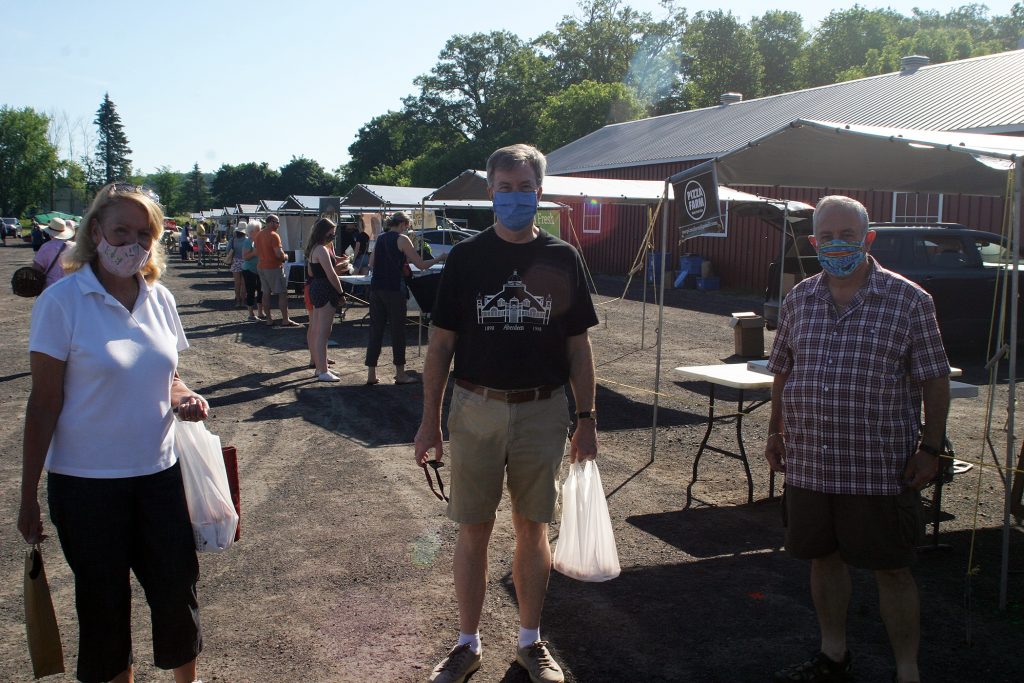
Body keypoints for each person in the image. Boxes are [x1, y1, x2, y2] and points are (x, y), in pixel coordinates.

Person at [414, 144, 599, 683]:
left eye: (524, 188)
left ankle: (529, 642)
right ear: (490, 190)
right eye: (504, 187)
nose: (514, 196)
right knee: (473, 528)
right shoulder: (468, 258)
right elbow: (440, 345)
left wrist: (586, 419)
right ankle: (466, 644)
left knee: (532, 527)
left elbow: (578, 349)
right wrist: (430, 419)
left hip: (542, 409)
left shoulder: (562, 256)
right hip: (476, 405)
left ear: (539, 192)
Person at [17, 182, 209, 683]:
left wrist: (185, 396)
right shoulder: (61, 302)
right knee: (103, 605)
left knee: (176, 591)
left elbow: (167, 375)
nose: (133, 243)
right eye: (121, 230)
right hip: (86, 485)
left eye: (144, 233)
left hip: (159, 475)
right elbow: (43, 404)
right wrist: (28, 496)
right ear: (95, 231)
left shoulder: (160, 298)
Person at [764, 195, 951, 683]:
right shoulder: (799, 297)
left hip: (879, 467)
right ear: (813, 242)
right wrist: (774, 431)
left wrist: (930, 448)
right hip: (810, 463)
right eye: (826, 237)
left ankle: (907, 672)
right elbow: (782, 369)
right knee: (823, 560)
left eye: (847, 235)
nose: (837, 244)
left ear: (868, 239)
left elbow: (935, 378)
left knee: (892, 569)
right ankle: (833, 656)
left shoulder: (909, 300)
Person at [364, 211, 445, 385]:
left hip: (376, 288)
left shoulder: (380, 238)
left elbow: (371, 263)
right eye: (407, 227)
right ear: (402, 225)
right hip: (394, 289)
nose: (407, 230)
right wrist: (440, 257)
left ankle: (371, 373)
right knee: (397, 331)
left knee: (375, 330)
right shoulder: (402, 239)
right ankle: (400, 374)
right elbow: (422, 265)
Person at [303, 218, 348, 382]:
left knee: (318, 330)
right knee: (324, 331)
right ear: (323, 232)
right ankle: (322, 370)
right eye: (331, 233)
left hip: (316, 288)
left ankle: (321, 367)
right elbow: (331, 274)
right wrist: (341, 293)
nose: (333, 236)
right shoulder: (321, 249)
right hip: (324, 289)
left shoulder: (314, 248)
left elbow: (311, 273)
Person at [254, 214, 300, 327]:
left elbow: (255, 251)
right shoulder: (274, 235)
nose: (278, 225)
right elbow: (278, 254)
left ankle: (269, 319)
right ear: (271, 222)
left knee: (266, 293)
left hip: (261, 266)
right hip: (273, 267)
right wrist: (286, 257)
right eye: (277, 222)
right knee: (283, 293)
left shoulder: (259, 234)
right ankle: (285, 319)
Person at [32, 217, 76, 288]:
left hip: (50, 287)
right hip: (71, 286)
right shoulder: (75, 247)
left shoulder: (45, 247)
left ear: (50, 233)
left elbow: (36, 268)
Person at [240, 221, 264, 321]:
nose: (260, 231)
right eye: (258, 230)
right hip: (249, 269)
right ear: (251, 232)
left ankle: (260, 312)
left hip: (260, 269)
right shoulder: (247, 241)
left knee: (261, 291)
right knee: (251, 291)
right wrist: (254, 253)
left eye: (260, 229)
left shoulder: (260, 240)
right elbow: (244, 257)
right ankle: (251, 314)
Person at [223, 223, 248, 308]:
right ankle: (243, 301)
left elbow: (228, 250)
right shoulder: (247, 240)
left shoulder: (232, 240)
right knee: (244, 284)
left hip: (235, 261)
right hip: (245, 262)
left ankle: (237, 301)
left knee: (237, 283)